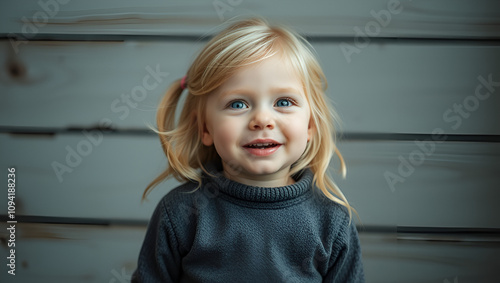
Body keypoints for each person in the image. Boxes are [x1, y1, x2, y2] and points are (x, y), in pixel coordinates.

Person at [132, 17, 365, 283]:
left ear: (310, 125)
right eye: (238, 104)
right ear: (205, 129)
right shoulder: (182, 214)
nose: (262, 119)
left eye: (284, 101)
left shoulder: (331, 222)